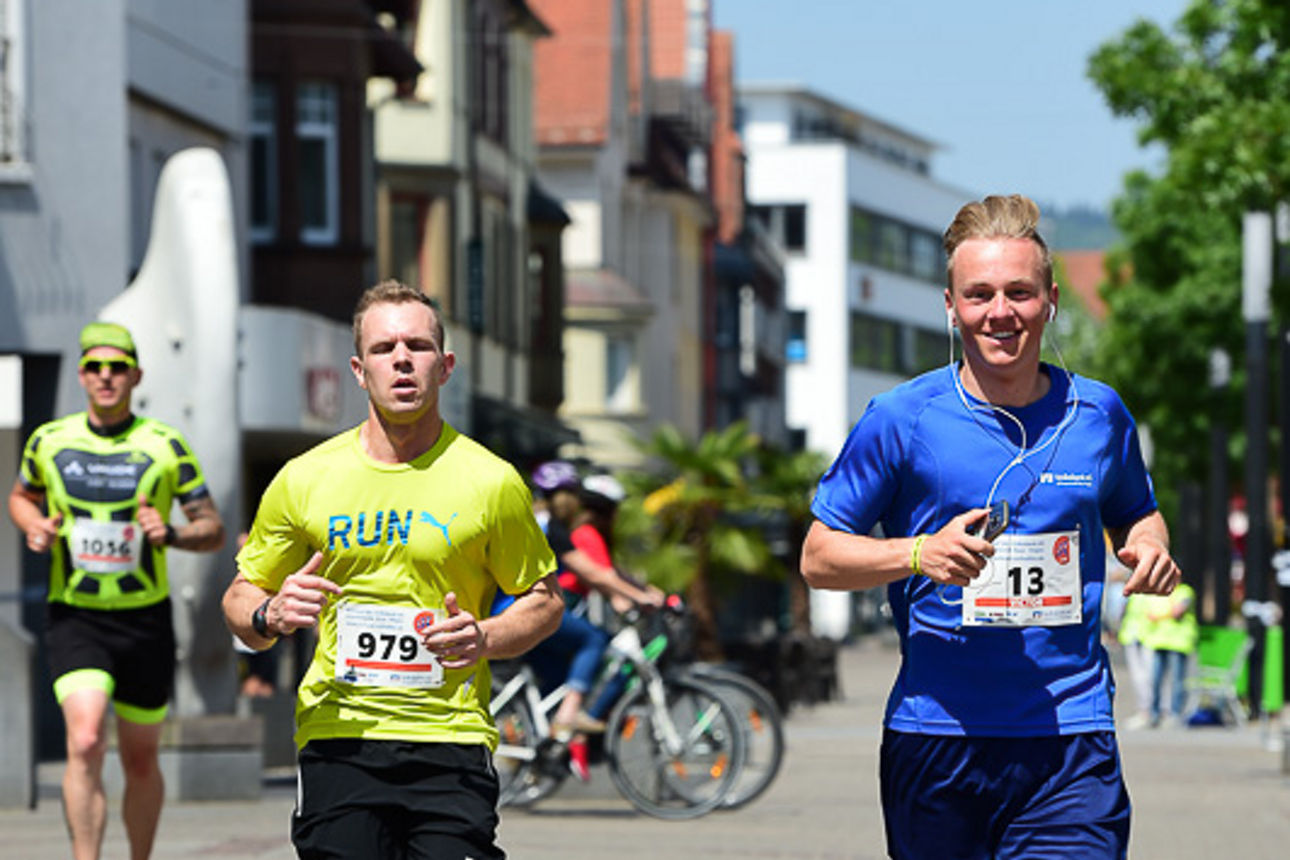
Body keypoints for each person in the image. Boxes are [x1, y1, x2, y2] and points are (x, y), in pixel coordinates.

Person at [801, 194, 1181, 859]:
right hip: (938, 737)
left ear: (1050, 300)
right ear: (951, 306)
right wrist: (918, 553)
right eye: (979, 295)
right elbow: (818, 556)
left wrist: (1149, 546)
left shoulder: (1099, 414)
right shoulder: (901, 418)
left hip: (1071, 738)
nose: (999, 312)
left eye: (1019, 292)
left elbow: (1135, 513)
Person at [222, 280, 562, 860]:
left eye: (418, 346)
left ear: (445, 365)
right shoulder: (305, 478)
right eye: (384, 349)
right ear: (359, 370)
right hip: (340, 735)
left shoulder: (491, 481)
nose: (401, 360)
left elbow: (544, 599)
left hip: (448, 739)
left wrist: (484, 636)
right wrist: (270, 611)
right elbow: (239, 600)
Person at [7, 321, 226, 860]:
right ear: (82, 375)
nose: (106, 378)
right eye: (96, 368)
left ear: (136, 375)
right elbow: (20, 497)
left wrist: (171, 532)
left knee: (140, 760)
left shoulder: (166, 445)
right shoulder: (49, 440)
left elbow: (213, 528)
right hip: (76, 616)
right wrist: (33, 525)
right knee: (84, 741)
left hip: (144, 618)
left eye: (118, 368)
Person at [520, 462, 662, 780]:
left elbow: (608, 572)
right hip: (526, 608)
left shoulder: (543, 521)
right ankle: (570, 716)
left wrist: (640, 592)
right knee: (593, 639)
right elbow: (595, 573)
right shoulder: (551, 526)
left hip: (525, 608)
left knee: (556, 677)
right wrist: (637, 597)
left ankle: (545, 750)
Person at [1141, 581, 1198, 727]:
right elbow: (1148, 614)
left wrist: (1159, 616)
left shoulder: (1185, 591)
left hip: (1178, 643)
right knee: (1155, 680)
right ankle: (1154, 714)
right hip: (1159, 641)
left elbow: (1178, 612)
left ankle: (1175, 713)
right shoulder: (1157, 592)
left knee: (1177, 681)